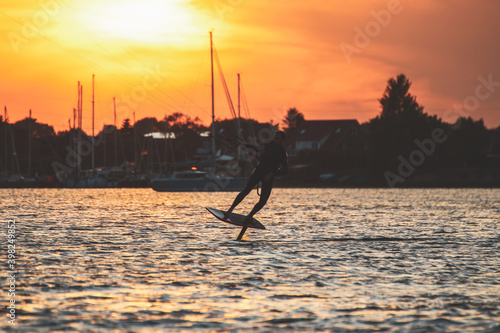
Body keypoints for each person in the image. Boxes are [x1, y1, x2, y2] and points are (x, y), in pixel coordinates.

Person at [224, 130, 288, 222]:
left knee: (263, 201)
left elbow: (285, 170)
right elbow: (255, 146)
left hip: (268, 176)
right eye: (274, 137)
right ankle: (229, 210)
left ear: (282, 140)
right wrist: (245, 144)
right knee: (246, 190)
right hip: (259, 171)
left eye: (277, 138)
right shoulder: (267, 145)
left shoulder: (282, 153)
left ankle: (250, 216)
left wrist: (272, 173)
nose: (274, 140)